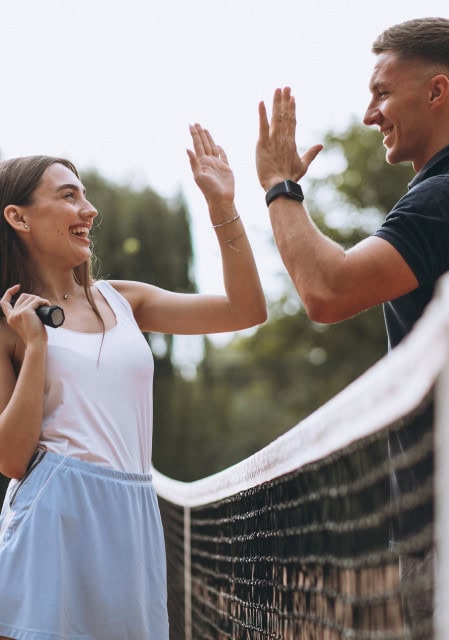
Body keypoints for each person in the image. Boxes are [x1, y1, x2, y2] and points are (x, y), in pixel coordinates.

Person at [255, 16, 449, 636]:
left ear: (436, 91)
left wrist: (279, 187)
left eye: (382, 92)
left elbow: (327, 291)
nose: (369, 114)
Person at [0, 123, 266, 640]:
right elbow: (11, 458)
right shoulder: (6, 324)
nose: (90, 210)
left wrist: (221, 208)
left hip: (133, 512)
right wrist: (35, 347)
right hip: (54, 517)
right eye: (69, 195)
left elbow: (246, 309)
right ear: (18, 217)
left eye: (86, 196)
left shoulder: (125, 300)